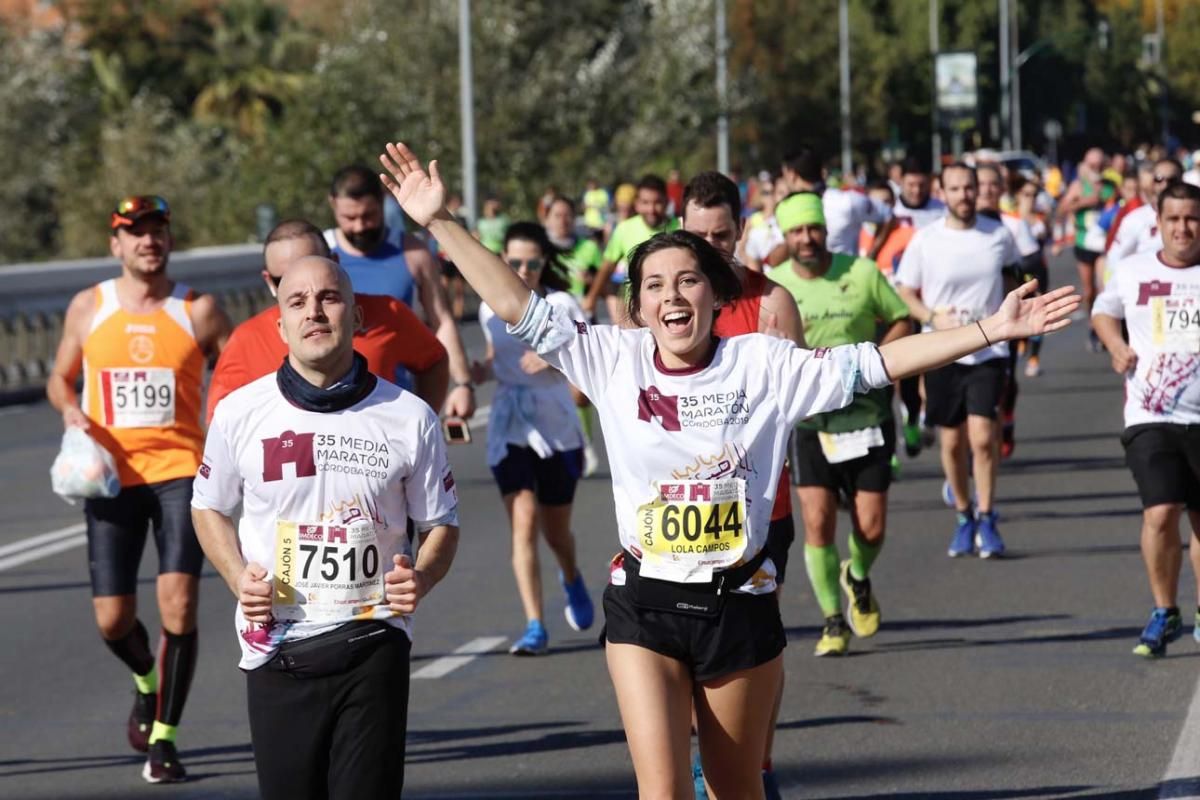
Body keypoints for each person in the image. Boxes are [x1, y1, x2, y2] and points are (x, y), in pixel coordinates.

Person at [378, 141, 1079, 798]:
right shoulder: (610, 357)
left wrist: (992, 329)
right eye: (655, 285)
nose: (674, 296)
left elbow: (877, 362)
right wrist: (440, 220)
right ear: (639, 304)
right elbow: (511, 303)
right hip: (644, 604)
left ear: (716, 294)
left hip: (738, 605)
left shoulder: (764, 364)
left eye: (689, 280)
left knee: (735, 789)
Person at [191, 256, 460, 799]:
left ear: (357, 316)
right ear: (280, 325)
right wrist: (238, 577)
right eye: (297, 302)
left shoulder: (409, 417)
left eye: (329, 298)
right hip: (276, 645)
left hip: (372, 637)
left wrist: (423, 578)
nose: (314, 311)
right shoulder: (241, 413)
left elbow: (442, 524)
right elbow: (208, 507)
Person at [45, 195, 233, 783]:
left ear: (169, 241)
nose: (148, 241)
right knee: (112, 619)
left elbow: (237, 375)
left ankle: (166, 740)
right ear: (116, 245)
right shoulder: (88, 307)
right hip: (111, 479)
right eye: (135, 233)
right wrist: (71, 410)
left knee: (178, 603)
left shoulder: (198, 310)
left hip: (182, 471)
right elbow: (58, 376)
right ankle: (146, 683)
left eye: (157, 231)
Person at [681, 170, 805, 799]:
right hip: (677, 508)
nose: (710, 248)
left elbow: (798, 403)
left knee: (754, 646)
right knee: (685, 647)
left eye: (722, 235)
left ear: (742, 230)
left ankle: (754, 762)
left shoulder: (772, 302)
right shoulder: (663, 305)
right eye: (698, 235)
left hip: (759, 509)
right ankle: (705, 764)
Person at [767, 192, 912, 658]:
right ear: (785, 237)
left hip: (865, 414)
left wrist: (880, 363)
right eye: (796, 231)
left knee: (870, 527)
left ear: (825, 230)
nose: (806, 239)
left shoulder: (862, 272)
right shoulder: (774, 287)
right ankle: (832, 619)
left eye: (813, 229)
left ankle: (858, 575)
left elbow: (902, 320)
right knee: (817, 521)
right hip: (811, 420)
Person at [471, 222, 595, 655]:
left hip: (556, 425)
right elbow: (493, 356)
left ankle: (572, 575)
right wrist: (476, 373)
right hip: (511, 424)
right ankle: (535, 624)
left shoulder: (562, 305)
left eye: (532, 263)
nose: (523, 271)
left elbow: (589, 370)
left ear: (544, 264)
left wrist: (554, 363)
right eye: (514, 262)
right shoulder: (490, 307)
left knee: (555, 532)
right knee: (523, 519)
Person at [1092, 181, 1200, 658]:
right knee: (1160, 512)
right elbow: (1103, 311)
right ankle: (1164, 610)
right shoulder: (1134, 271)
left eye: (1192, 219)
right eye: (1174, 219)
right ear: (1158, 222)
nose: (1183, 228)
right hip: (1150, 413)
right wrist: (1115, 345)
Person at [895, 163, 1022, 558]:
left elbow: (1016, 279)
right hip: (942, 348)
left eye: (969, 188)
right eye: (955, 189)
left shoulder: (998, 235)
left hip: (988, 350)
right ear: (943, 192)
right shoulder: (926, 239)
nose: (964, 195)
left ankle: (987, 515)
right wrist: (933, 317)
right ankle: (964, 515)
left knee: (984, 438)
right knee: (951, 443)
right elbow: (904, 290)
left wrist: (1010, 317)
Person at [205, 219, 449, 422]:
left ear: (336, 262)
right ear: (269, 281)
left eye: (314, 269)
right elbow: (221, 422)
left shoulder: (388, 313)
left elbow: (433, 361)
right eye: (285, 279)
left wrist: (415, 424)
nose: (312, 309)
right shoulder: (247, 339)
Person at [326, 165, 476, 421]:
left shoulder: (413, 253)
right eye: (349, 218)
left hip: (396, 403)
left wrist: (463, 383)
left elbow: (442, 322)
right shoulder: (321, 254)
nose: (360, 226)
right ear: (333, 205)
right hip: (331, 405)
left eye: (369, 215)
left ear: (383, 202)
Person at [545, 195, 604, 472]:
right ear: (547, 218)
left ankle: (585, 445)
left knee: (579, 394)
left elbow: (604, 281)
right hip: (549, 326)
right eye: (557, 215)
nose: (563, 221)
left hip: (581, 325)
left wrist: (591, 287)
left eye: (567, 215)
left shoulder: (589, 248)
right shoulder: (543, 250)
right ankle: (566, 448)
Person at [583, 174, 680, 323]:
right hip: (634, 309)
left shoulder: (680, 228)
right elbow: (607, 267)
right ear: (637, 204)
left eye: (657, 202)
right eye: (645, 202)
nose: (651, 209)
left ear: (667, 202)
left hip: (670, 306)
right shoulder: (624, 229)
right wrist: (591, 298)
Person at [779, 147, 891, 257]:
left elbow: (887, 214)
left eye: (784, 176)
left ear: (791, 175)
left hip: (848, 274)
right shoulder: (788, 208)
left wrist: (872, 255)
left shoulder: (846, 201)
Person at [1058, 147, 1108, 350]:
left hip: (1106, 245)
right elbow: (1062, 209)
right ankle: (1092, 323)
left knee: (1104, 287)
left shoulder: (1111, 185)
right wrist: (1085, 202)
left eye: (1100, 165)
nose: (1096, 168)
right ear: (1085, 166)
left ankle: (1104, 328)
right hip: (1084, 241)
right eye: (1092, 165)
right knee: (1089, 292)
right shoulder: (1079, 186)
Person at [1107, 158, 1184, 269]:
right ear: (1152, 182)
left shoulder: (1196, 216)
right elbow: (1114, 261)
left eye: (1172, 180)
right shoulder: (1135, 219)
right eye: (1159, 179)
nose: (1165, 184)